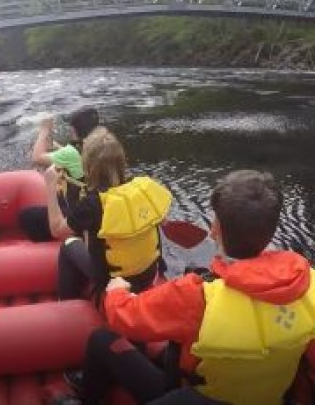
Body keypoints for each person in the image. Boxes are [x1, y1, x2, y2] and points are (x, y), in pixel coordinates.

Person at [71, 170, 315, 405]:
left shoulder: (196, 294)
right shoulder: (309, 285)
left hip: (200, 395)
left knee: (102, 338)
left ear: (215, 228)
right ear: (270, 228)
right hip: (270, 397)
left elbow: (124, 317)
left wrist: (116, 291)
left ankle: (87, 397)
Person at [45, 127, 171, 301]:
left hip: (114, 283)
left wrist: (50, 187)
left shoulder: (92, 203)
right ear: (122, 161)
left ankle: (67, 304)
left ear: (88, 165)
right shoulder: (144, 188)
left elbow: (56, 229)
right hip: (150, 274)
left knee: (68, 243)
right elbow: (163, 220)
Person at [19, 107, 100, 242]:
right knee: (60, 197)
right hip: (94, 202)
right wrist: (58, 148)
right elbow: (76, 159)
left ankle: (50, 245)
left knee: (26, 216)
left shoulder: (70, 153)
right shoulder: (101, 144)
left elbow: (37, 158)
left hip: (81, 210)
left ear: (74, 130)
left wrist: (44, 130)